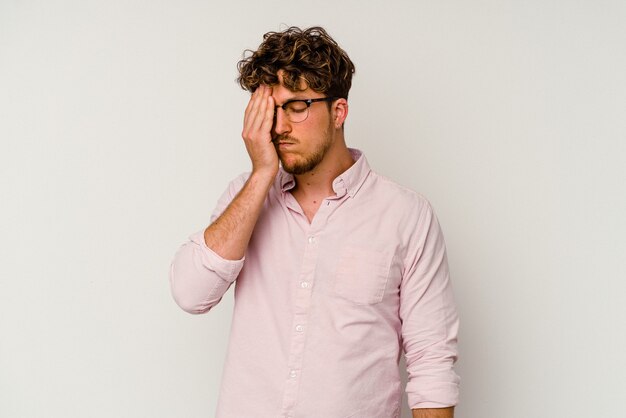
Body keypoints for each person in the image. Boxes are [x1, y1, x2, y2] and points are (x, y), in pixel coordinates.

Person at [169, 26, 460, 418]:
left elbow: (432, 363)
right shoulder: (247, 196)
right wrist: (260, 176)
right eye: (271, 110)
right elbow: (190, 293)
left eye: (296, 106)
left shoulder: (406, 215)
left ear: (338, 111)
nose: (280, 127)